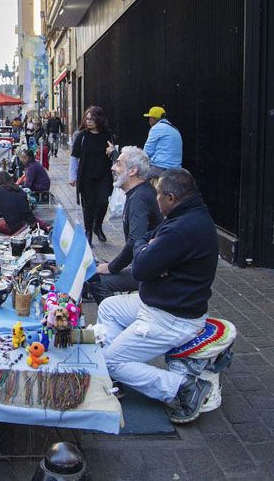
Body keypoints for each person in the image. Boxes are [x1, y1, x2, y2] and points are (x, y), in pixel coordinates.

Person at [98, 168, 218, 424]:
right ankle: (124, 366)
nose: (156, 199)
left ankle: (182, 387)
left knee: (108, 362)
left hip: (171, 316)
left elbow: (141, 268)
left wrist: (146, 250)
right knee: (109, 307)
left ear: (172, 197)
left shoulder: (182, 228)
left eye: (159, 194)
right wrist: (148, 248)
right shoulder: (187, 213)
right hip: (157, 301)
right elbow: (147, 239)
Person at [86, 147, 162, 304]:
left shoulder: (139, 198)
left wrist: (112, 267)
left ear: (133, 171)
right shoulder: (139, 192)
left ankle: (113, 318)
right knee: (98, 265)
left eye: (118, 164)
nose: (113, 168)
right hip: (146, 264)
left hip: (151, 272)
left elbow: (135, 240)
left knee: (95, 279)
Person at [69, 105, 114, 245]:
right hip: (86, 176)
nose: (88, 122)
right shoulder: (82, 136)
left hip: (104, 175)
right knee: (88, 205)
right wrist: (72, 176)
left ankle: (97, 226)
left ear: (99, 119)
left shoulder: (108, 134)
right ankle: (88, 230)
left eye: (92, 119)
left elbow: (113, 153)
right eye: (87, 119)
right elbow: (74, 157)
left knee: (103, 201)